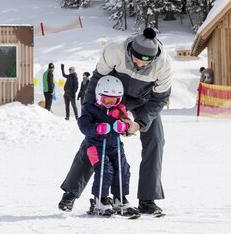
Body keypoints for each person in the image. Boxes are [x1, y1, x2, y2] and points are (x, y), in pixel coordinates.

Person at [58, 27, 172, 217]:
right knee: (96, 139)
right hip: (114, 95)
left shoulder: (164, 64)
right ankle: (70, 192)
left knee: (156, 140)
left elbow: (159, 99)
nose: (140, 64)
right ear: (130, 52)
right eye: (136, 59)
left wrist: (139, 123)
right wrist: (90, 108)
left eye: (146, 62)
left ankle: (147, 199)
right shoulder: (115, 50)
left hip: (144, 99)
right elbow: (97, 79)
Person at [78, 75, 139, 217]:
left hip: (115, 146)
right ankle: (100, 199)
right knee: (105, 170)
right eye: (106, 100)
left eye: (114, 100)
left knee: (123, 169)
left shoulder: (119, 110)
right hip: (96, 147)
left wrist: (123, 126)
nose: (110, 103)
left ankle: (120, 198)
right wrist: (96, 128)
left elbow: (128, 125)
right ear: (99, 96)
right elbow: (83, 125)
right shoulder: (90, 108)